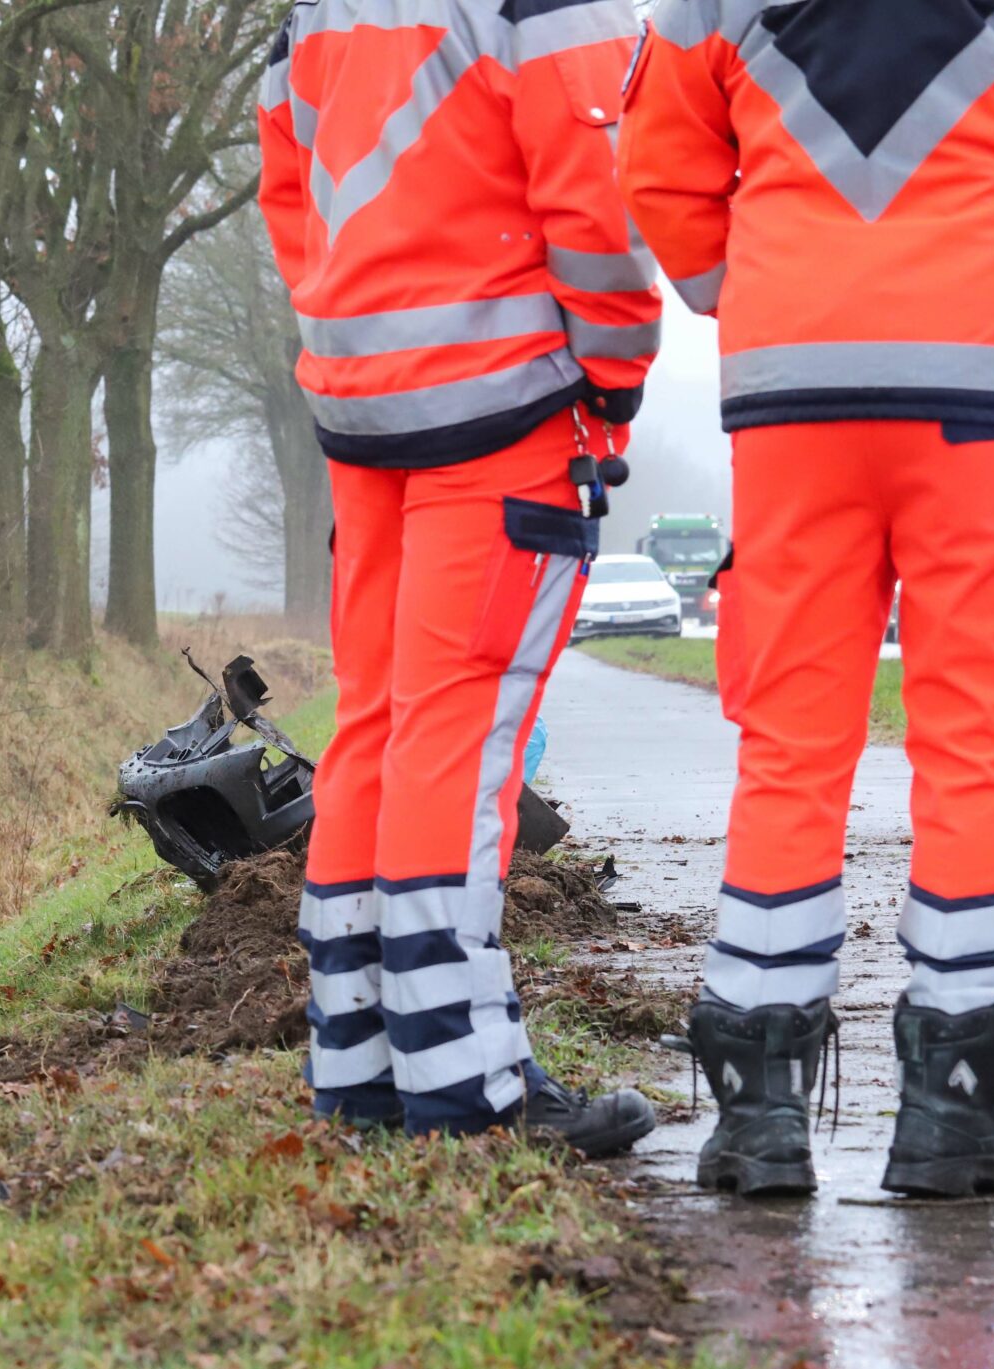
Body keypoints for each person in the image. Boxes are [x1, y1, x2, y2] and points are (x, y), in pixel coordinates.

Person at [620, 5, 994, 1196]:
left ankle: (758, 1107)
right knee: (973, 745)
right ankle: (954, 1104)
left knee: (789, 738)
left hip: (796, 396)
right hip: (992, 387)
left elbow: (661, 170)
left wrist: (786, 287)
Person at [257, 0, 663, 1150]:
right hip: (505, 406)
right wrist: (615, 367)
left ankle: (360, 1067)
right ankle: (465, 1088)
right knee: (458, 736)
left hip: (361, 407)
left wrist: (355, 329)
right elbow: (595, 180)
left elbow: (287, 184)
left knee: (377, 730)